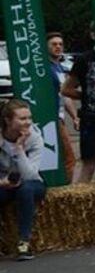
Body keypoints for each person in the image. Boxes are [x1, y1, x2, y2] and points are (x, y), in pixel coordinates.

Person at [0, 100, 47, 261]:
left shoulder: (34, 138)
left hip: (32, 182)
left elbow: (30, 175)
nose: (27, 122)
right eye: (22, 119)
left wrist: (19, 149)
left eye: (29, 118)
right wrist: (2, 182)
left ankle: (24, 242)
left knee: (25, 189)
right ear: (7, 120)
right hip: (3, 183)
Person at [61, 32, 95, 183]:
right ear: (93, 35)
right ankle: (81, 194)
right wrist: (86, 95)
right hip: (91, 117)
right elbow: (66, 89)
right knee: (89, 163)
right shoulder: (84, 59)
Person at [47, 32, 78, 182]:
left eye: (60, 44)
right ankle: (65, 192)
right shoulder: (46, 69)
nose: (58, 47)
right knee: (69, 159)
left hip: (60, 118)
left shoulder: (60, 67)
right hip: (51, 118)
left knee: (61, 158)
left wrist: (74, 117)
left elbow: (65, 96)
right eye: (54, 44)